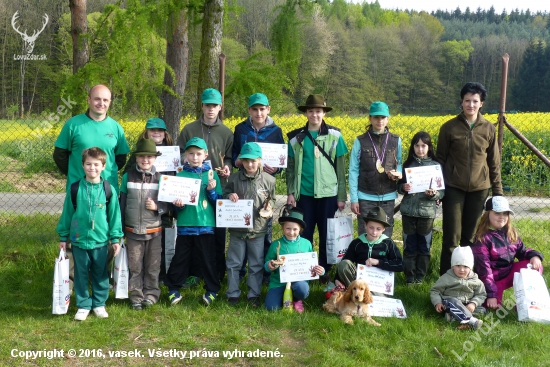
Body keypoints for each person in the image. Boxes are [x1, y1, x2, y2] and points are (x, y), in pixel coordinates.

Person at [436, 82, 503, 275]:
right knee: (451, 236)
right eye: (467, 100)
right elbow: (440, 160)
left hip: (479, 189)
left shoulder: (489, 129)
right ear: (461, 102)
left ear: (481, 103)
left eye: (475, 101)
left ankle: (469, 279)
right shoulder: (449, 128)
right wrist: (439, 189)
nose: (470, 105)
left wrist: (497, 193)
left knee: (471, 237)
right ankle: (445, 279)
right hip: (453, 188)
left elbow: (494, 163)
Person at [286, 94, 348, 283]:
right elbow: (290, 168)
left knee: (327, 233)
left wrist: (341, 196)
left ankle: (324, 270)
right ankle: (304, 268)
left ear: (324, 112)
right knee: (304, 233)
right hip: (304, 194)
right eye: (311, 111)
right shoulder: (295, 138)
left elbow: (341, 168)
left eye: (318, 111)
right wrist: (290, 192)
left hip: (328, 194)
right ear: (305, 113)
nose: (314, 115)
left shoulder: (335, 135)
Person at [56, 147, 123, 321]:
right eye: (88, 164)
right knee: (81, 273)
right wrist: (63, 237)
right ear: (83, 165)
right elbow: (67, 214)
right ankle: (84, 304)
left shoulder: (109, 190)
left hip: (100, 242)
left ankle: (99, 303)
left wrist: (115, 238)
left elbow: (115, 216)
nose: (92, 168)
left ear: (103, 166)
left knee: (100, 273)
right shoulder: (75, 188)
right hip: (78, 241)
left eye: (96, 164)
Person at [177, 88, 233, 284]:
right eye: (207, 105)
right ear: (202, 106)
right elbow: (180, 153)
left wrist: (227, 167)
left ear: (220, 107)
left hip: (215, 187)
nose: (210, 109)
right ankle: (194, 273)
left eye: (214, 105)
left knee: (217, 232)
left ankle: (217, 273)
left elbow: (230, 157)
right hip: (192, 186)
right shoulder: (189, 129)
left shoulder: (226, 132)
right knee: (192, 232)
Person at [232, 93, 285, 283]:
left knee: (264, 228)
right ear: (249, 110)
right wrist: (238, 161)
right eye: (255, 109)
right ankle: (238, 272)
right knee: (242, 229)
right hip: (244, 184)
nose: (258, 112)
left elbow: (280, 161)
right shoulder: (240, 129)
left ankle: (263, 274)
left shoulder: (275, 131)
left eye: (262, 109)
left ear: (268, 109)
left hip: (264, 186)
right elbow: (234, 157)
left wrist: (276, 168)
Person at [165, 137, 223, 306]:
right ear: (186, 155)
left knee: (208, 258)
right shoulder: (180, 174)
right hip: (185, 224)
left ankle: (212, 289)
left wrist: (212, 191)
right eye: (191, 153)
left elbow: (218, 202)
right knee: (180, 258)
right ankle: (173, 288)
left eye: (198, 154)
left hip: (206, 225)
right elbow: (175, 205)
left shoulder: (212, 175)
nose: (195, 157)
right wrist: (178, 206)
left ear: (205, 154)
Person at [124, 118, 177, 283]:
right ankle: (138, 281)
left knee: (161, 245)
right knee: (140, 250)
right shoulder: (140, 152)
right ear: (145, 132)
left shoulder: (172, 152)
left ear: (165, 133)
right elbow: (129, 174)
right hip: (142, 206)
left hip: (162, 203)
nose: (156, 133)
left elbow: (177, 176)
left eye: (160, 130)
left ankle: (160, 277)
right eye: (152, 130)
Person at [224, 142, 275, 307]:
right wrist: (229, 196)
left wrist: (269, 206)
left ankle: (254, 294)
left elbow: (272, 199)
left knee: (256, 264)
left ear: (260, 160)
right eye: (246, 161)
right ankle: (232, 293)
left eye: (253, 160)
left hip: (258, 230)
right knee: (234, 263)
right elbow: (224, 196)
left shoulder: (269, 180)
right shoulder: (233, 179)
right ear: (241, 161)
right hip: (237, 230)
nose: (250, 164)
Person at [53, 84, 130, 192]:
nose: (101, 103)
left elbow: (121, 158)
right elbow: (59, 155)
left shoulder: (116, 127)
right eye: (97, 99)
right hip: (79, 189)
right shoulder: (73, 124)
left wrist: (104, 172)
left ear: (110, 102)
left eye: (105, 100)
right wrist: (75, 172)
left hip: (108, 189)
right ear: (89, 100)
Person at [120, 138, 167, 310]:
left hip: (154, 230)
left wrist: (157, 207)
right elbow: (122, 203)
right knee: (135, 265)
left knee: (153, 266)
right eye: (141, 157)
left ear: (155, 159)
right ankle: (136, 296)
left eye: (149, 157)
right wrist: (121, 229)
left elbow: (167, 205)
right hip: (132, 231)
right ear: (136, 158)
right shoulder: (128, 177)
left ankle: (151, 294)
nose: (145, 160)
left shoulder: (161, 179)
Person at [472, 196, 544, 310]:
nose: (502, 216)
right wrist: (491, 295)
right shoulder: (482, 239)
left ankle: (526, 302)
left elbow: (523, 252)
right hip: (493, 280)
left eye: (505, 213)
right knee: (492, 307)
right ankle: (488, 296)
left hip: (509, 273)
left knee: (534, 266)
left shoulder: (511, 233)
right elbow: (484, 270)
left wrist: (535, 256)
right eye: (497, 213)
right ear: (487, 214)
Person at [349, 101, 402, 238]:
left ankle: (384, 260)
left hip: (388, 196)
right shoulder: (360, 141)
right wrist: (354, 199)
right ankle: (363, 260)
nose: (379, 121)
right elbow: (353, 170)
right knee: (365, 234)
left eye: (383, 117)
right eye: (376, 117)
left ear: (388, 119)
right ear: (370, 118)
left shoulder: (396, 140)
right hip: (365, 196)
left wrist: (398, 174)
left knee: (385, 236)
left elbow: (399, 163)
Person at [397, 131, 444, 285]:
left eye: (423, 146)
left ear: (429, 147)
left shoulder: (436, 166)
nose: (420, 149)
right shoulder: (408, 165)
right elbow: (399, 187)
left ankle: (420, 278)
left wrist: (435, 194)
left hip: (427, 213)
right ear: (413, 147)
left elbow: (442, 191)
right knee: (409, 245)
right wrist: (403, 186)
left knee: (424, 246)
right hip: (408, 212)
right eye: (417, 146)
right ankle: (410, 278)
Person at [264, 207, 325, 312]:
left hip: (299, 281)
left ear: (300, 229)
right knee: (271, 308)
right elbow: (266, 264)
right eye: (288, 228)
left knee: (302, 289)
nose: (291, 232)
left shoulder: (306, 244)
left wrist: (321, 271)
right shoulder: (276, 245)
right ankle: (283, 297)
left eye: (295, 229)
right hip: (279, 282)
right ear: (283, 228)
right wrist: (269, 265)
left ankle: (297, 299)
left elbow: (313, 264)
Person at [334, 206, 403, 289]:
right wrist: (337, 279)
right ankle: (353, 291)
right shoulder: (357, 243)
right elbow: (345, 262)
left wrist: (378, 262)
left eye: (378, 229)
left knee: (374, 300)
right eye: (371, 228)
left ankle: (370, 295)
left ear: (384, 229)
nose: (374, 232)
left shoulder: (388, 243)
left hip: (378, 282)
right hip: (359, 279)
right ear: (365, 225)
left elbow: (400, 265)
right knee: (344, 264)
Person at [430, 246, 487, 330]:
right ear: (453, 266)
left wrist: (473, 303)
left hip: (467, 304)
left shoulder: (476, 281)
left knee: (483, 310)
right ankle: (471, 321)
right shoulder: (446, 277)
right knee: (452, 302)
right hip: (451, 302)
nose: (462, 269)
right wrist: (437, 302)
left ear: (470, 267)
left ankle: (453, 317)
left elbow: (481, 294)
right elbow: (435, 291)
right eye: (458, 266)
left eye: (465, 266)